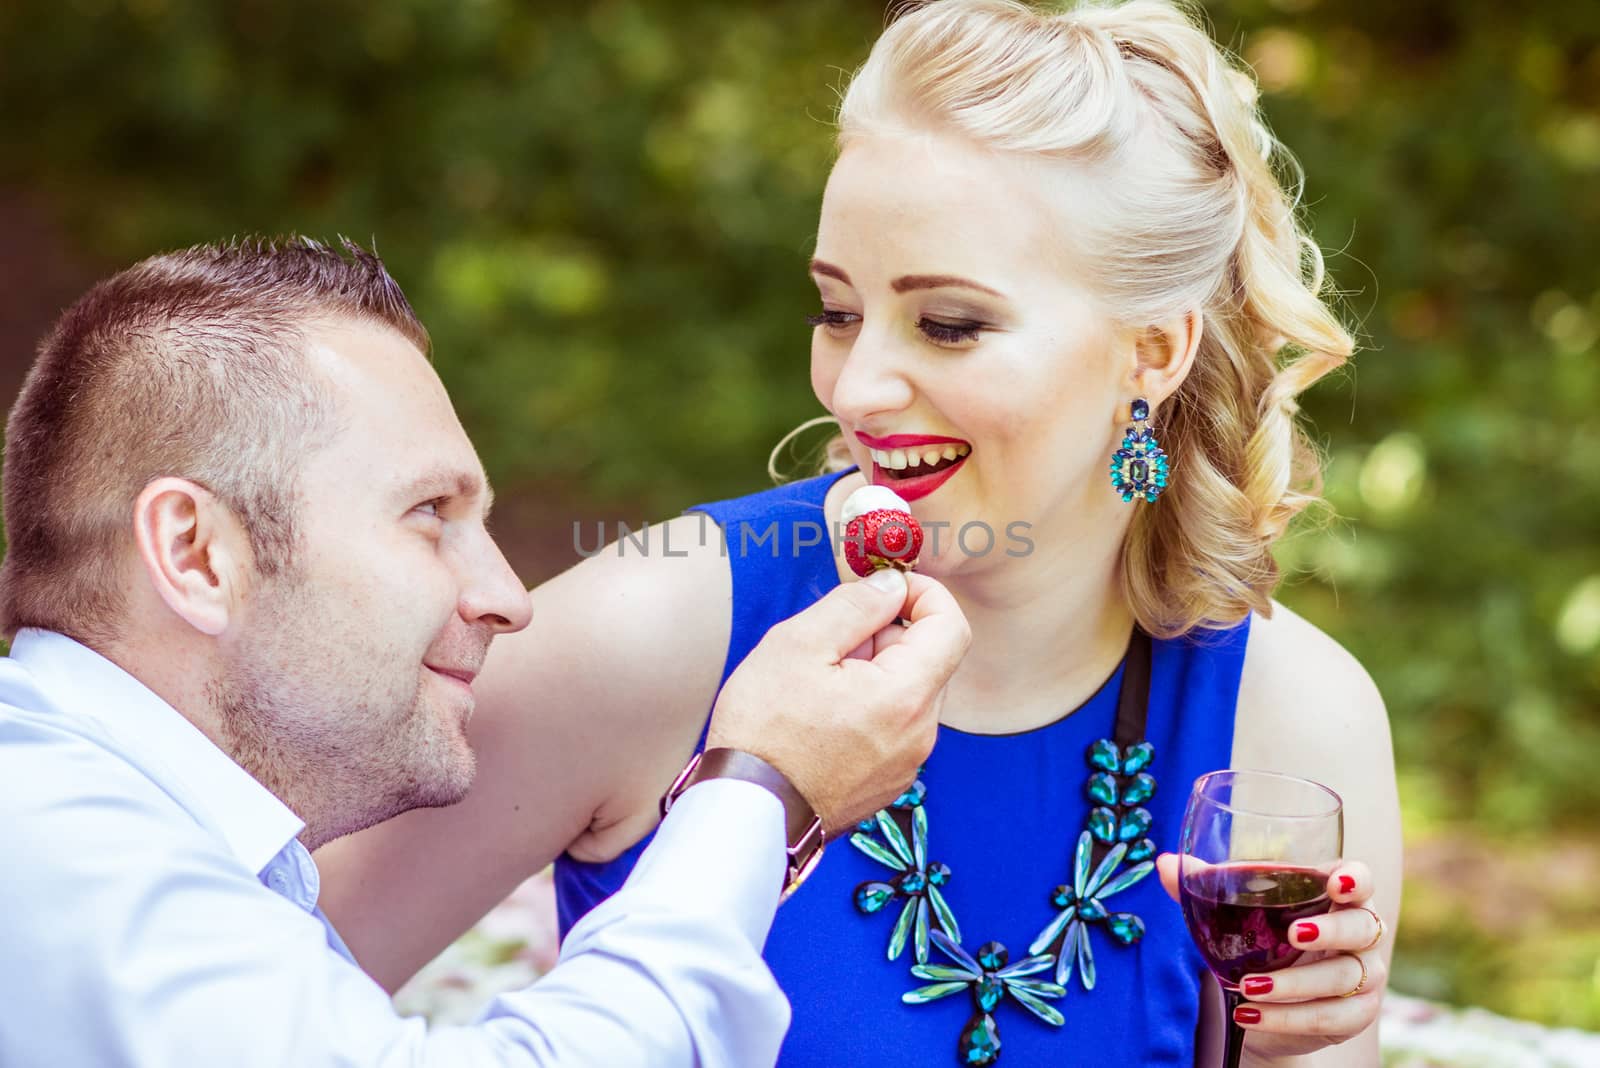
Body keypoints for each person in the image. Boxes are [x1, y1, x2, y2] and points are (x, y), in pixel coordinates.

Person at [318, 0, 1403, 1064]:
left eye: (948, 324)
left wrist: (1280, 1051)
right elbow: (233, 1001)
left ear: (1153, 353)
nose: (859, 386)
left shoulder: (1294, 722)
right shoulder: (654, 628)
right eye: (838, 312)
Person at [0, 237, 972, 1067]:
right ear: (195, 553)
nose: (509, 600)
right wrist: (759, 784)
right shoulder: (56, 844)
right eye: (429, 515)